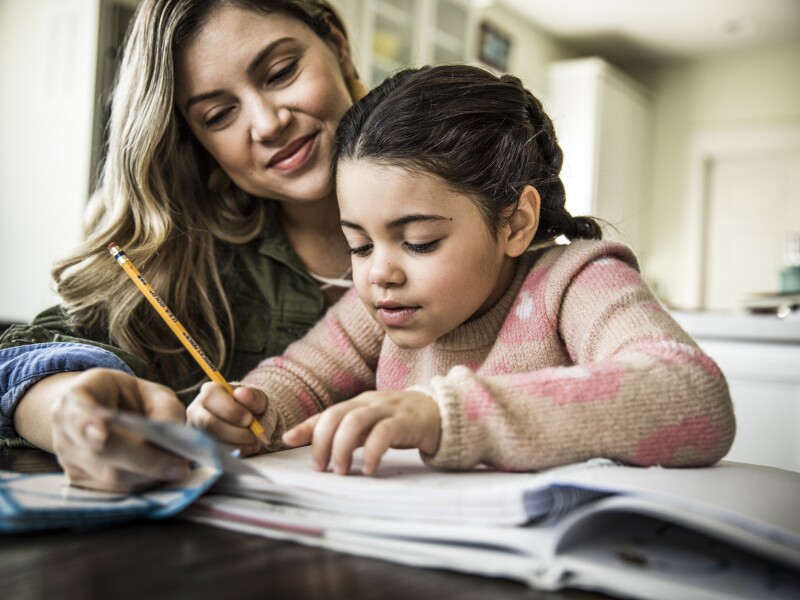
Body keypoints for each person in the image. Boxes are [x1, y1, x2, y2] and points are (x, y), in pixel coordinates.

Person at [187, 64, 737, 476]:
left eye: (420, 242)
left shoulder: (577, 282)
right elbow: (300, 378)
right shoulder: (379, 308)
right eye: (357, 245)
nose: (380, 273)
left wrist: (445, 413)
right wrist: (252, 410)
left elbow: (693, 395)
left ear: (516, 222)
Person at [0, 0, 367, 491]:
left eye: (280, 72)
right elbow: (16, 359)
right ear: (196, 138)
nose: (267, 123)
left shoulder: (476, 186)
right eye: (219, 114)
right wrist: (66, 410)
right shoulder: (189, 263)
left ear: (338, 48)